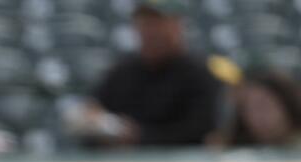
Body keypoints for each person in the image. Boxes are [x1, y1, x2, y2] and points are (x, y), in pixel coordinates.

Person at [71, 0, 221, 148]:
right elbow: (94, 108)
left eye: (158, 23)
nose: (151, 31)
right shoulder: (122, 71)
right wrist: (95, 122)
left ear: (177, 26)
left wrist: (139, 136)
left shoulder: (199, 73)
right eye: (145, 23)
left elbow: (199, 133)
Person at [216, 70, 301, 151]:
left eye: (263, 106)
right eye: (247, 109)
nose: (256, 116)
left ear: (287, 105)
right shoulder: (239, 154)